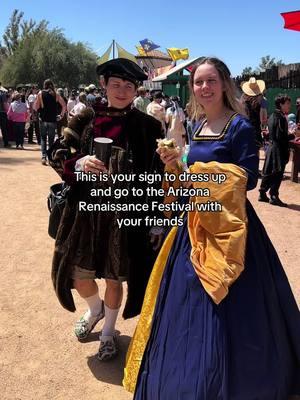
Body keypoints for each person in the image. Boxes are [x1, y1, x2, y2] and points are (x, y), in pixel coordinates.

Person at [124, 57, 300, 399]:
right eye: (198, 83)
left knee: (234, 304)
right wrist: (175, 164)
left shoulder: (240, 127)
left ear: (224, 84)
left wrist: (200, 176)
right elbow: (187, 178)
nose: (204, 88)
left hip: (230, 228)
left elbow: (248, 177)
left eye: (210, 81)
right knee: (185, 297)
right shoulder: (196, 124)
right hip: (194, 222)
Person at [48, 58, 164, 361]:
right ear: (104, 85)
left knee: (116, 278)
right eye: (116, 84)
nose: (122, 90)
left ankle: (109, 333)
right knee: (77, 275)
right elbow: (55, 154)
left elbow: (157, 177)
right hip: (85, 215)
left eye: (129, 85)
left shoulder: (149, 126)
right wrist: (79, 163)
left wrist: (155, 221)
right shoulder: (84, 117)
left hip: (124, 219)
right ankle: (95, 309)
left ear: (136, 89)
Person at [259, 94, 293, 207]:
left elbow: (271, 134)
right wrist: (292, 136)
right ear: (281, 104)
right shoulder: (280, 118)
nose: (289, 105)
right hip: (278, 149)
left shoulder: (272, 116)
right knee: (278, 173)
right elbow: (280, 137)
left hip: (271, 147)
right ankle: (273, 196)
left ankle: (262, 193)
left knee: (269, 171)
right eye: (287, 103)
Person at [34, 79, 66, 165]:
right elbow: (64, 105)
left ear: (44, 85)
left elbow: (35, 107)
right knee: (51, 139)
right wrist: (61, 115)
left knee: (43, 138)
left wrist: (41, 106)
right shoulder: (56, 94)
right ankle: (50, 157)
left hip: (43, 119)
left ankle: (43, 157)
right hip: (53, 119)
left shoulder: (40, 94)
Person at [240, 77, 268, 148]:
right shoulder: (260, 100)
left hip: (243, 128)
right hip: (255, 129)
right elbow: (263, 118)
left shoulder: (243, 100)